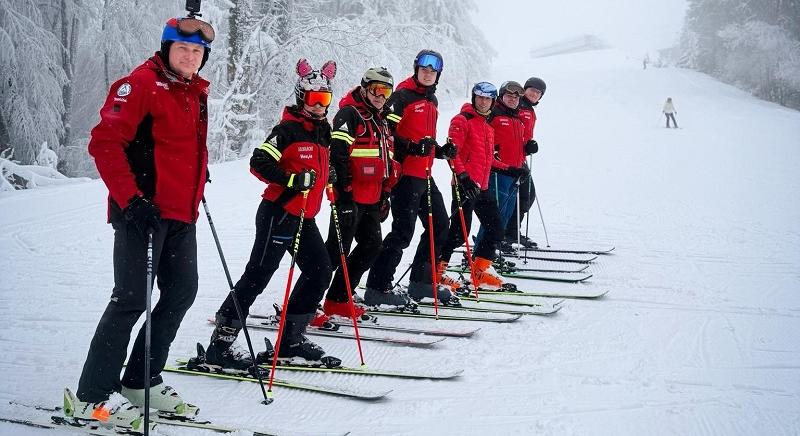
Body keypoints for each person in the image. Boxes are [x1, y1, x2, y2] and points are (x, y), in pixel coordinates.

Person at [69, 15, 215, 433]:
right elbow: (105, 143)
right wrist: (131, 201)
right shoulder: (139, 85)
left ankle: (139, 380)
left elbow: (174, 145)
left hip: (182, 213)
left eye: (197, 51)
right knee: (131, 299)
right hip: (142, 214)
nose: (190, 56)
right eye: (183, 49)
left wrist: (196, 175)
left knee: (181, 292)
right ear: (167, 48)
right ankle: (92, 397)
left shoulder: (193, 90)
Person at [202, 58, 337, 371]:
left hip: (304, 216)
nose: (320, 106)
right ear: (302, 98)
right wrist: (292, 179)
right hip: (279, 213)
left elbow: (313, 165)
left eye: (325, 99)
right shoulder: (287, 130)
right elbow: (259, 162)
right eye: (314, 99)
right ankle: (220, 345)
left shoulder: (322, 131)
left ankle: (291, 340)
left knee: (320, 272)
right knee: (258, 276)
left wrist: (325, 172)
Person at [364, 49, 458, 306]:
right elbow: (389, 133)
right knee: (402, 232)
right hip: (405, 175)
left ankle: (421, 282)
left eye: (433, 71)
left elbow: (424, 140)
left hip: (425, 175)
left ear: (438, 75)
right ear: (416, 69)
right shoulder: (402, 96)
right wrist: (414, 148)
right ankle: (377, 287)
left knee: (440, 225)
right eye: (424, 69)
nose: (428, 74)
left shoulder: (432, 100)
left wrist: (440, 151)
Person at [322, 67, 400, 317]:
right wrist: (344, 198)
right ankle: (303, 303)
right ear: (365, 88)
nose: (380, 95)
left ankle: (338, 298)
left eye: (386, 91)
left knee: (371, 247)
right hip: (350, 197)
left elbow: (386, 160)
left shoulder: (382, 119)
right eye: (376, 89)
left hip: (372, 197)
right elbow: (338, 154)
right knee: (335, 252)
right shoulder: (349, 114)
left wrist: (385, 195)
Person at [438, 82, 506, 290]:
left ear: (493, 101)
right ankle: (437, 273)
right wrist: (464, 177)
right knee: (459, 233)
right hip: (464, 185)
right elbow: (453, 154)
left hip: (482, 187)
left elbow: (488, 160)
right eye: (480, 97)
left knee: (495, 228)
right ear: (474, 98)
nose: (483, 102)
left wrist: (511, 168)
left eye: (488, 98)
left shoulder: (487, 127)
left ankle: (479, 272)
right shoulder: (462, 120)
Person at [475, 81, 529, 257]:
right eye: (508, 96)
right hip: (497, 173)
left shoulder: (518, 118)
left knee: (505, 215)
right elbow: (482, 136)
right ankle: (479, 255)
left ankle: (491, 253)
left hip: (514, 172)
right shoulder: (494, 114)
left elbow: (515, 144)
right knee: (493, 218)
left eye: (516, 97)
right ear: (501, 97)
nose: (512, 99)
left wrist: (526, 151)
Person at [503, 77, 546, 251]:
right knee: (514, 196)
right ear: (525, 89)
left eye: (538, 93)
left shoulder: (529, 110)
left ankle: (512, 232)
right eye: (532, 90)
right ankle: (505, 233)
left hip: (520, 157)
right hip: (509, 159)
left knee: (526, 195)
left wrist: (528, 145)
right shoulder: (518, 105)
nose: (534, 94)